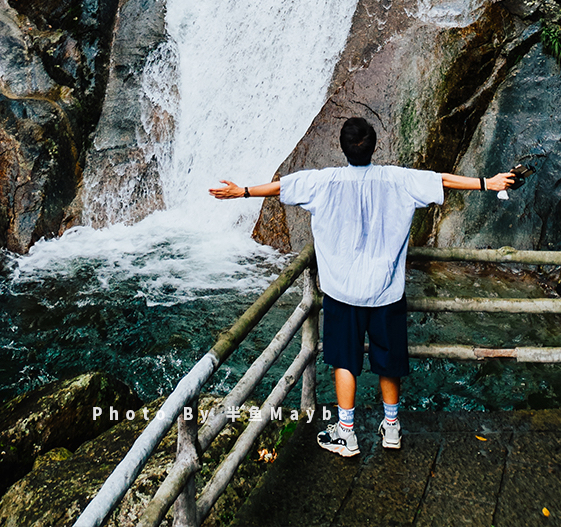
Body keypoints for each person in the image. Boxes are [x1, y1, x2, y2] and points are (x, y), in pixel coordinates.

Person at [209, 116, 518, 456]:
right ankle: (391, 428)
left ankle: (346, 432)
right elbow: (441, 180)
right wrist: (487, 182)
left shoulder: (323, 182)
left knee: (345, 361)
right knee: (388, 360)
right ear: (374, 146)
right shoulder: (397, 179)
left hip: (342, 291)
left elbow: (281, 187)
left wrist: (242, 191)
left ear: (342, 148)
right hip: (385, 291)